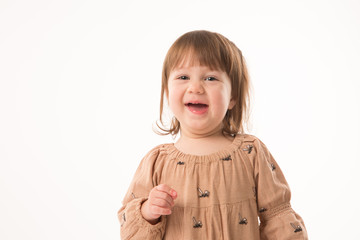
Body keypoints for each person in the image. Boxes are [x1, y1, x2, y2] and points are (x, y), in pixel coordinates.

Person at [117, 30, 308, 239]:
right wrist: (148, 212)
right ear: (166, 92)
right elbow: (129, 228)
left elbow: (278, 216)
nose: (195, 87)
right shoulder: (156, 162)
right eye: (183, 77)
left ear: (232, 96)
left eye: (210, 78)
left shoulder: (250, 152)